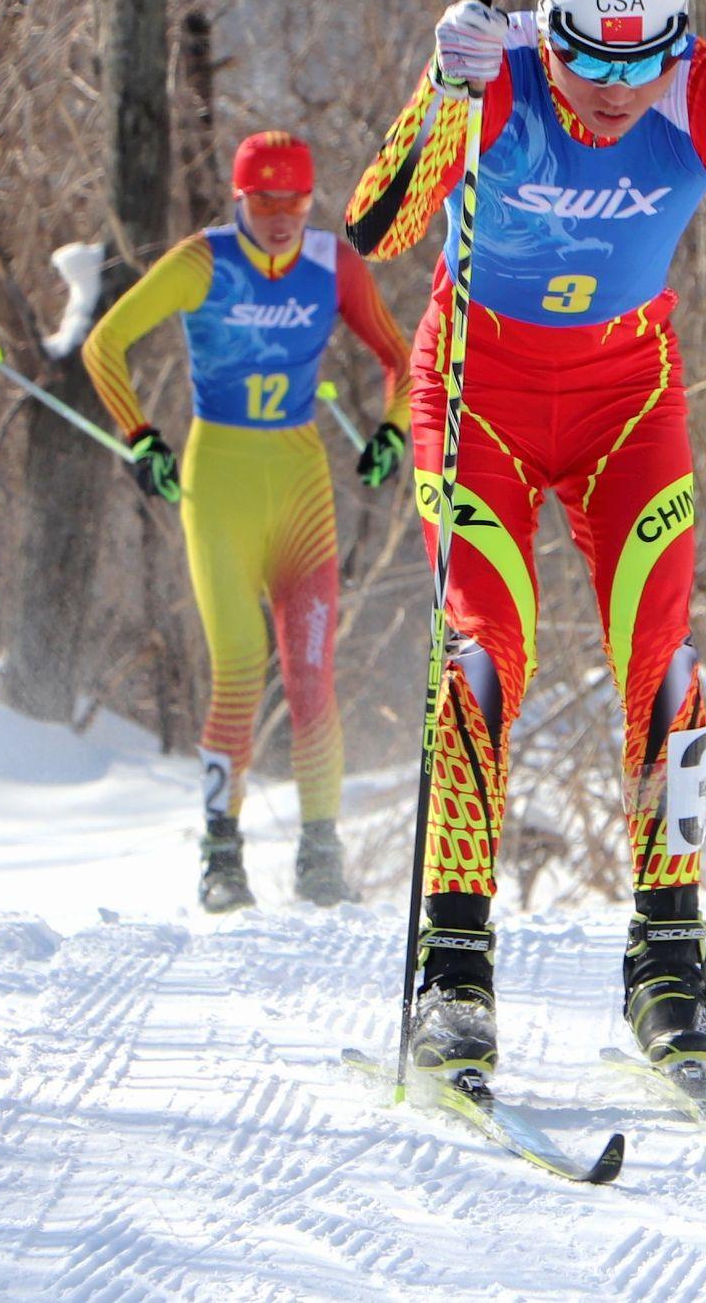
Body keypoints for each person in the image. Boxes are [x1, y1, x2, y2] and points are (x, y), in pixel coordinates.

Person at [343, 0, 706, 1078]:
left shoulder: (705, 93)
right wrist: (443, 92)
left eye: (638, 64)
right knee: (488, 651)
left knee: (667, 662)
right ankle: (450, 970)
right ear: (551, 37)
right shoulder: (504, 77)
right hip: (474, 391)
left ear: (677, 44)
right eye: (585, 59)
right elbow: (380, 227)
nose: (609, 92)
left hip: (623, 403)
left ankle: (668, 961)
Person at [83, 131, 415, 912]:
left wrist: (395, 432)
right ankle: (221, 856)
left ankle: (320, 853)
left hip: (300, 488)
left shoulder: (335, 264)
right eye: (263, 202)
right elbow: (106, 345)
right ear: (240, 199)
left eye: (293, 202)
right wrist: (140, 437)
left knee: (311, 681)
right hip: (219, 485)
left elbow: (402, 359)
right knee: (237, 671)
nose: (279, 218)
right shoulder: (204, 261)